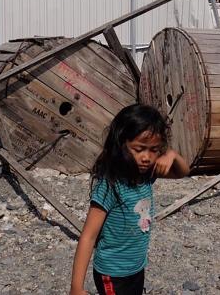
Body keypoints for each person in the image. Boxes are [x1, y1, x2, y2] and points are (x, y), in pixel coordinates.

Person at [70, 104, 190, 295]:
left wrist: (172, 155)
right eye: (139, 149)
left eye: (155, 150)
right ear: (121, 145)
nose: (147, 157)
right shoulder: (110, 185)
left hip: (136, 267)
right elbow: (88, 236)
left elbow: (182, 172)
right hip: (112, 273)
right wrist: (76, 287)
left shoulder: (147, 175)